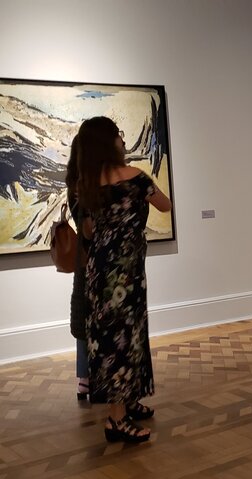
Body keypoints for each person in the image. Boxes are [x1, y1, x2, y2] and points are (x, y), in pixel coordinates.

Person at [76, 116, 172, 443]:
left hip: (99, 270)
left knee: (109, 338)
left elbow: (88, 232)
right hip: (126, 273)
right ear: (110, 142)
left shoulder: (87, 185)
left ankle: (128, 401)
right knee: (125, 338)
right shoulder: (136, 177)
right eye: (118, 134)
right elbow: (165, 205)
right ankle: (116, 420)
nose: (122, 138)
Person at [65, 135, 91, 401]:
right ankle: (87, 377)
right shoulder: (82, 187)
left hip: (83, 261)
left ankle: (84, 378)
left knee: (84, 316)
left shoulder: (74, 183)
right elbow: (89, 230)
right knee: (87, 317)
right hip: (91, 259)